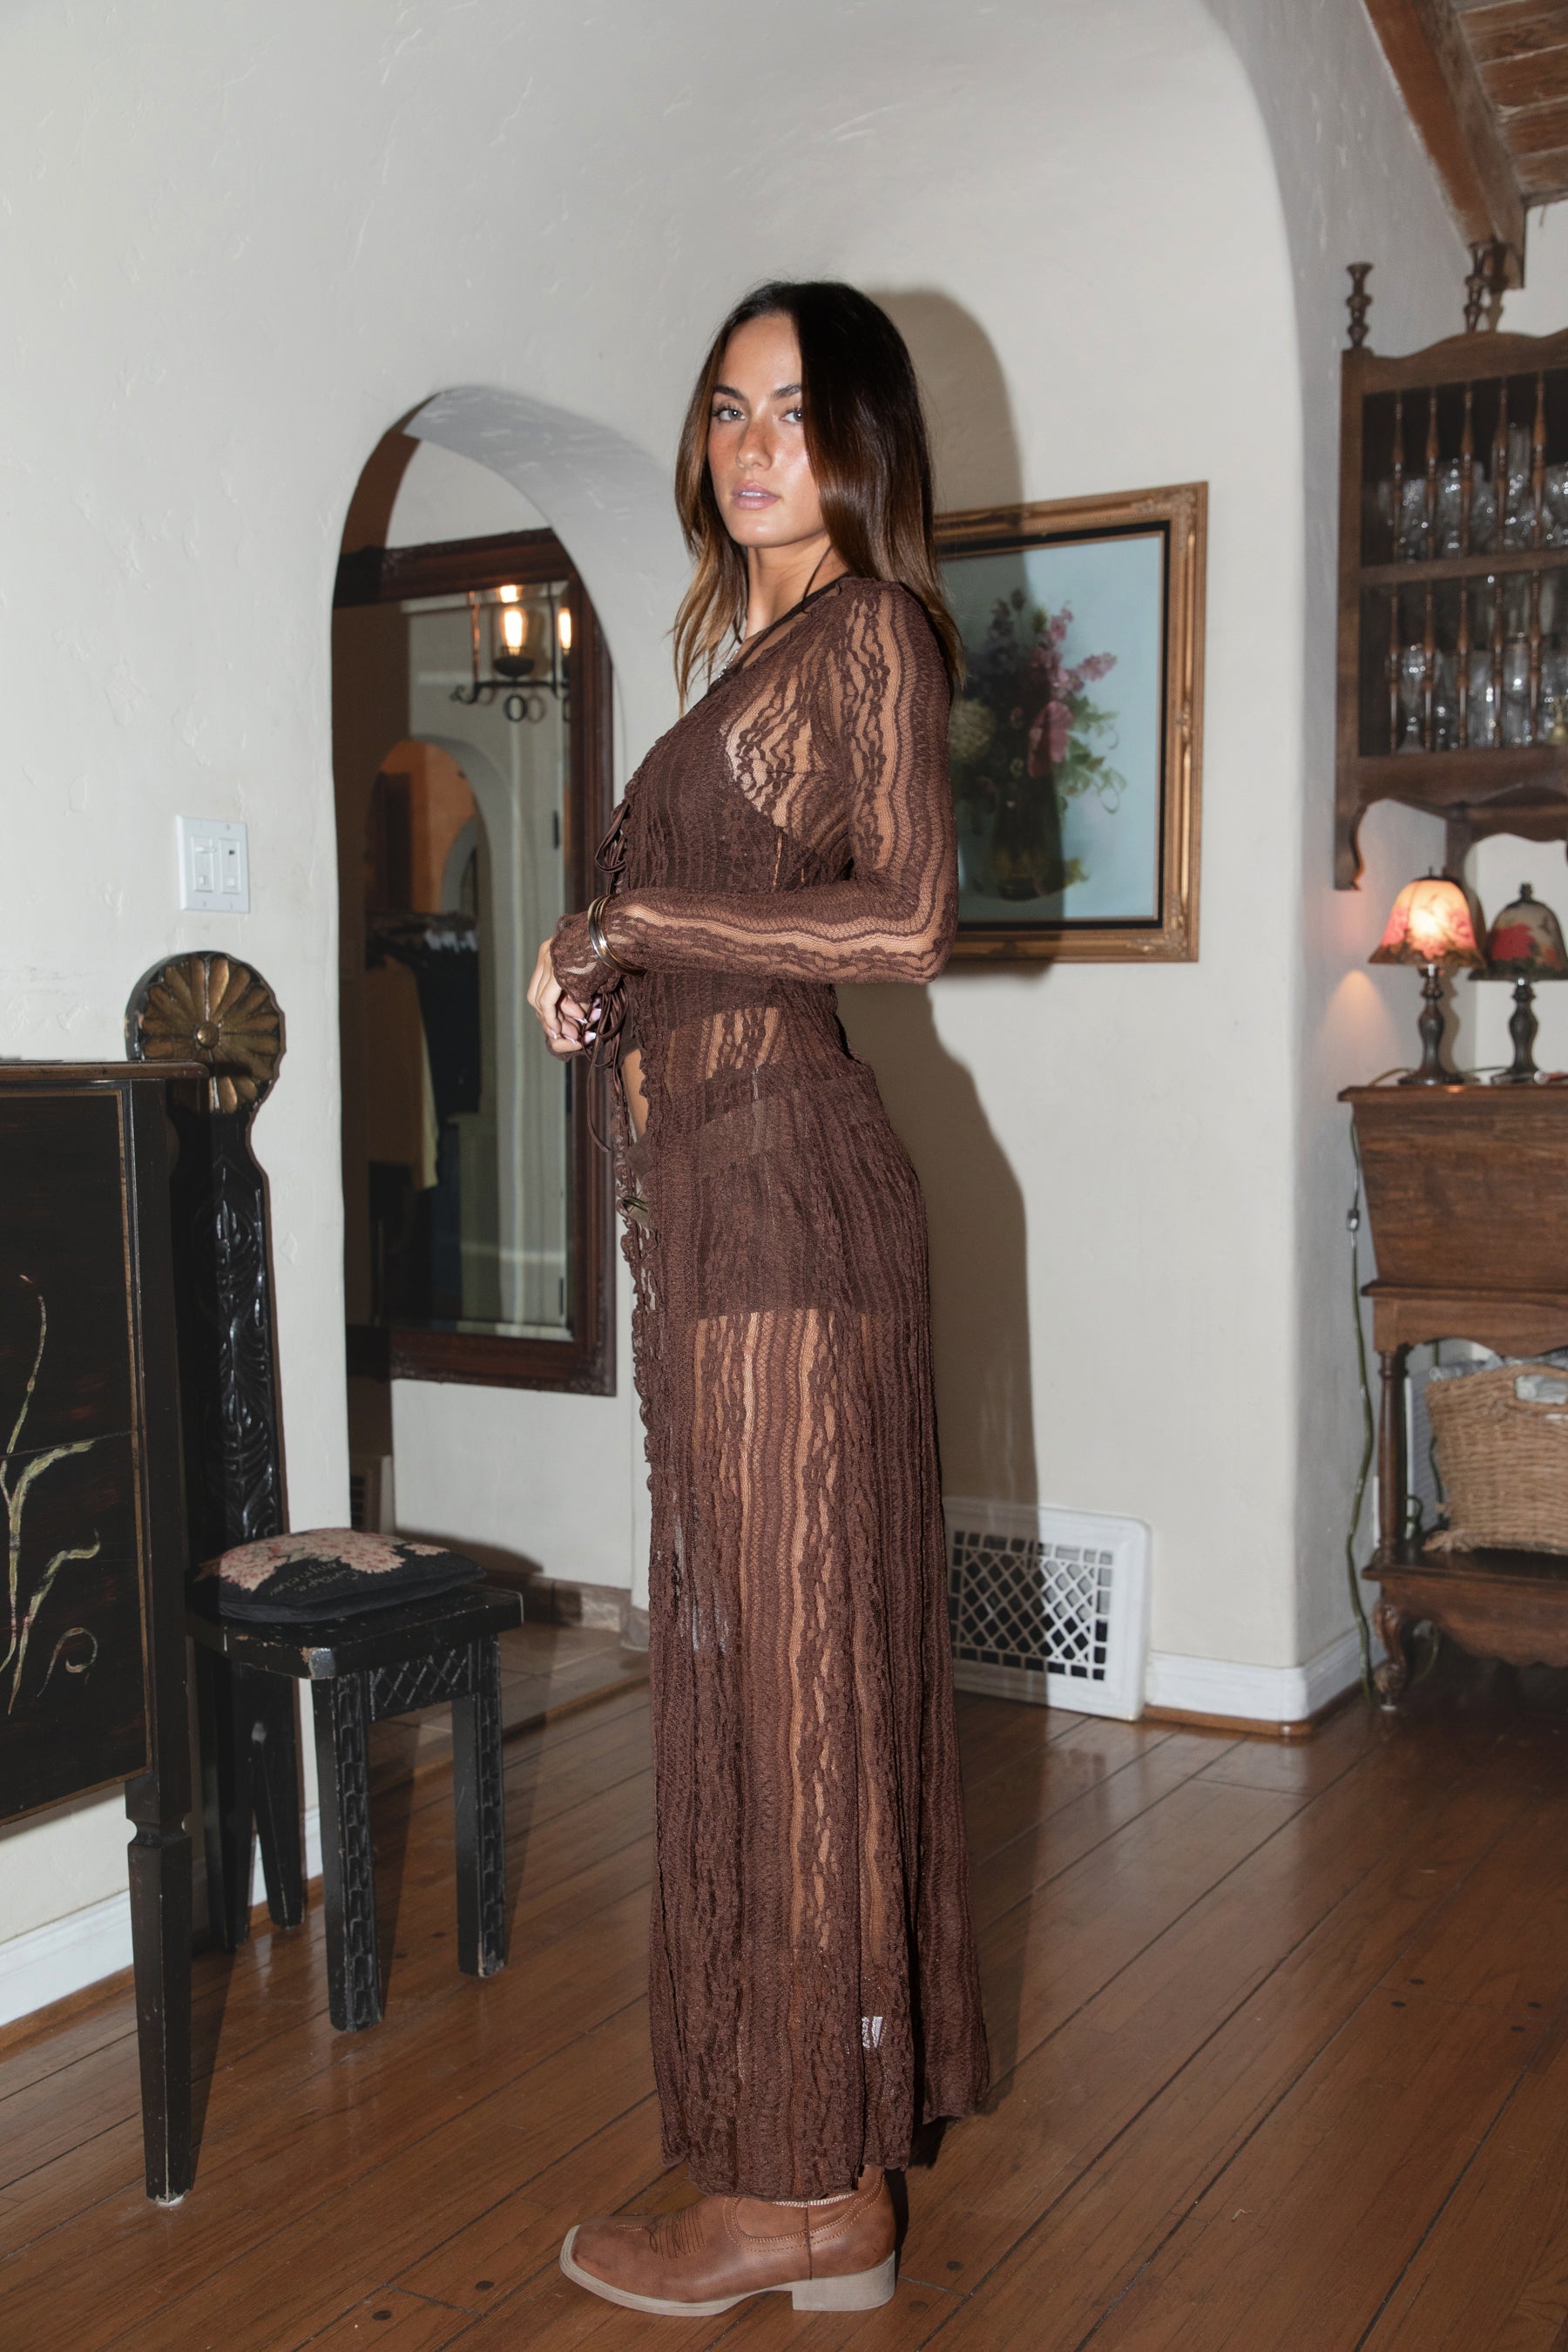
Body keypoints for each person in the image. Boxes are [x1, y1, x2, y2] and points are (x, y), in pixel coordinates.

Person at [527, 279, 988, 2319]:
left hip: (790, 1212)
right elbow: (736, 930)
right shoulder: (755, 658)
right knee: (751, 1677)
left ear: (863, 442)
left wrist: (627, 907)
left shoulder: (868, 633)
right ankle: (796, 2158)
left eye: (795, 411)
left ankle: (804, 2191)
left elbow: (899, 917)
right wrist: (596, 971)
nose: (752, 442)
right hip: (723, 1216)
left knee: (789, 1701)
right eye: (728, 407)